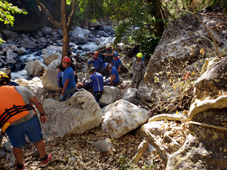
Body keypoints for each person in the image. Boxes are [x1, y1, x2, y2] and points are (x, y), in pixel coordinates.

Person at [0, 71, 52, 170]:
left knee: (16, 146)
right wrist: (42, 114)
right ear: (7, 80)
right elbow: (38, 103)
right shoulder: (20, 89)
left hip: (11, 124)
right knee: (38, 140)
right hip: (29, 119)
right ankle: (44, 159)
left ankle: (20, 165)